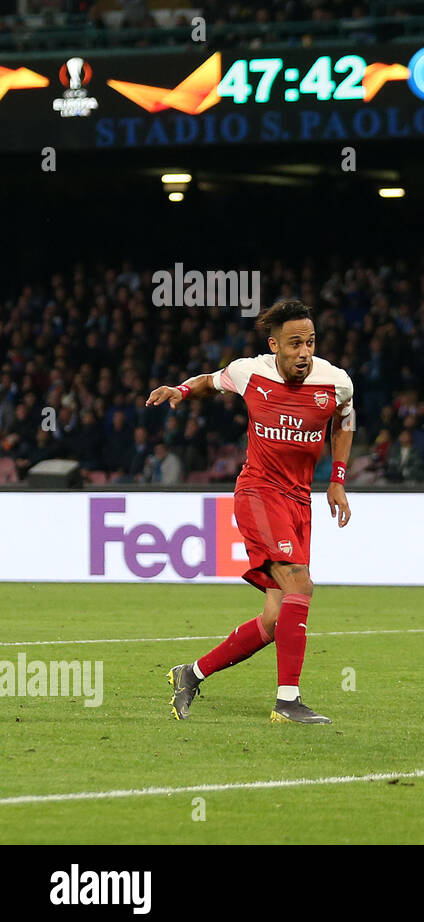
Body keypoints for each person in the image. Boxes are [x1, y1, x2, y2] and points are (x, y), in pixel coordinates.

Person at [147, 300, 355, 725]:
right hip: (258, 492)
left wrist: (337, 479)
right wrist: (180, 391)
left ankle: (191, 673)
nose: (304, 352)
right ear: (274, 345)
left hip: (300, 501)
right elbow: (209, 381)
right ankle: (287, 701)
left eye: (310, 343)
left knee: (278, 615)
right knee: (300, 583)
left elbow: (344, 421)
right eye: (295, 344)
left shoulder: (336, 382)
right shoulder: (250, 371)